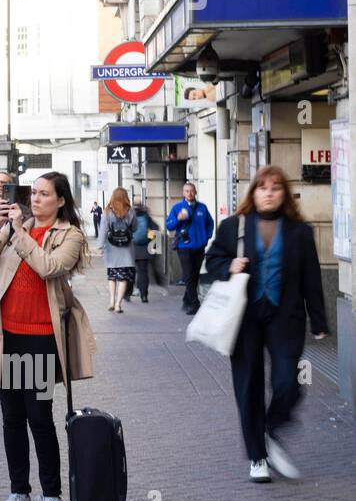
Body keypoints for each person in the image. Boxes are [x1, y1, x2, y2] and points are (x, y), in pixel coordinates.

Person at [0, 171, 95, 501]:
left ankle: (51, 495)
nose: (35, 199)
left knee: (39, 418)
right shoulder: (11, 229)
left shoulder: (69, 235)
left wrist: (20, 233)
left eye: (43, 194)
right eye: (33, 193)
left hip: (40, 337)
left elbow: (48, 267)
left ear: (60, 201)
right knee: (11, 419)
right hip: (6, 334)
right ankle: (18, 492)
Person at [204, 166, 329, 483]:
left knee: (289, 382)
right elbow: (213, 260)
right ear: (253, 193)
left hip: (285, 316)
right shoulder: (234, 226)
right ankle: (257, 456)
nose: (269, 192)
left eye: (275, 188)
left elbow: (312, 278)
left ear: (284, 194)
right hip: (243, 316)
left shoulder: (300, 232)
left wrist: (319, 320)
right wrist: (228, 265)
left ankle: (270, 430)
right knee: (248, 385)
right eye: (262, 187)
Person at [166, 182, 215, 315]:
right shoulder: (177, 208)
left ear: (195, 192)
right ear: (183, 193)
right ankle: (195, 303)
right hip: (184, 246)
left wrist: (207, 237)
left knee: (194, 275)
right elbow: (169, 226)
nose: (189, 193)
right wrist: (178, 219)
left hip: (199, 246)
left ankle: (186, 299)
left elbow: (210, 223)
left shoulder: (202, 208)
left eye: (192, 191)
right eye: (187, 191)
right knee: (188, 275)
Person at [100, 187, 136, 313]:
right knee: (123, 278)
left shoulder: (107, 212)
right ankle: (118, 304)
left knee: (112, 277)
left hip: (111, 249)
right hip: (126, 250)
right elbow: (135, 228)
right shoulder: (130, 211)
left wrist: (100, 247)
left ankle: (111, 301)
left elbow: (103, 231)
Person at [124, 203, 156, 303]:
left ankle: (127, 294)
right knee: (143, 273)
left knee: (130, 272)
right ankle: (144, 295)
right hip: (144, 249)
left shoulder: (128, 216)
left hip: (131, 249)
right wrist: (149, 241)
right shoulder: (146, 217)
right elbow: (155, 230)